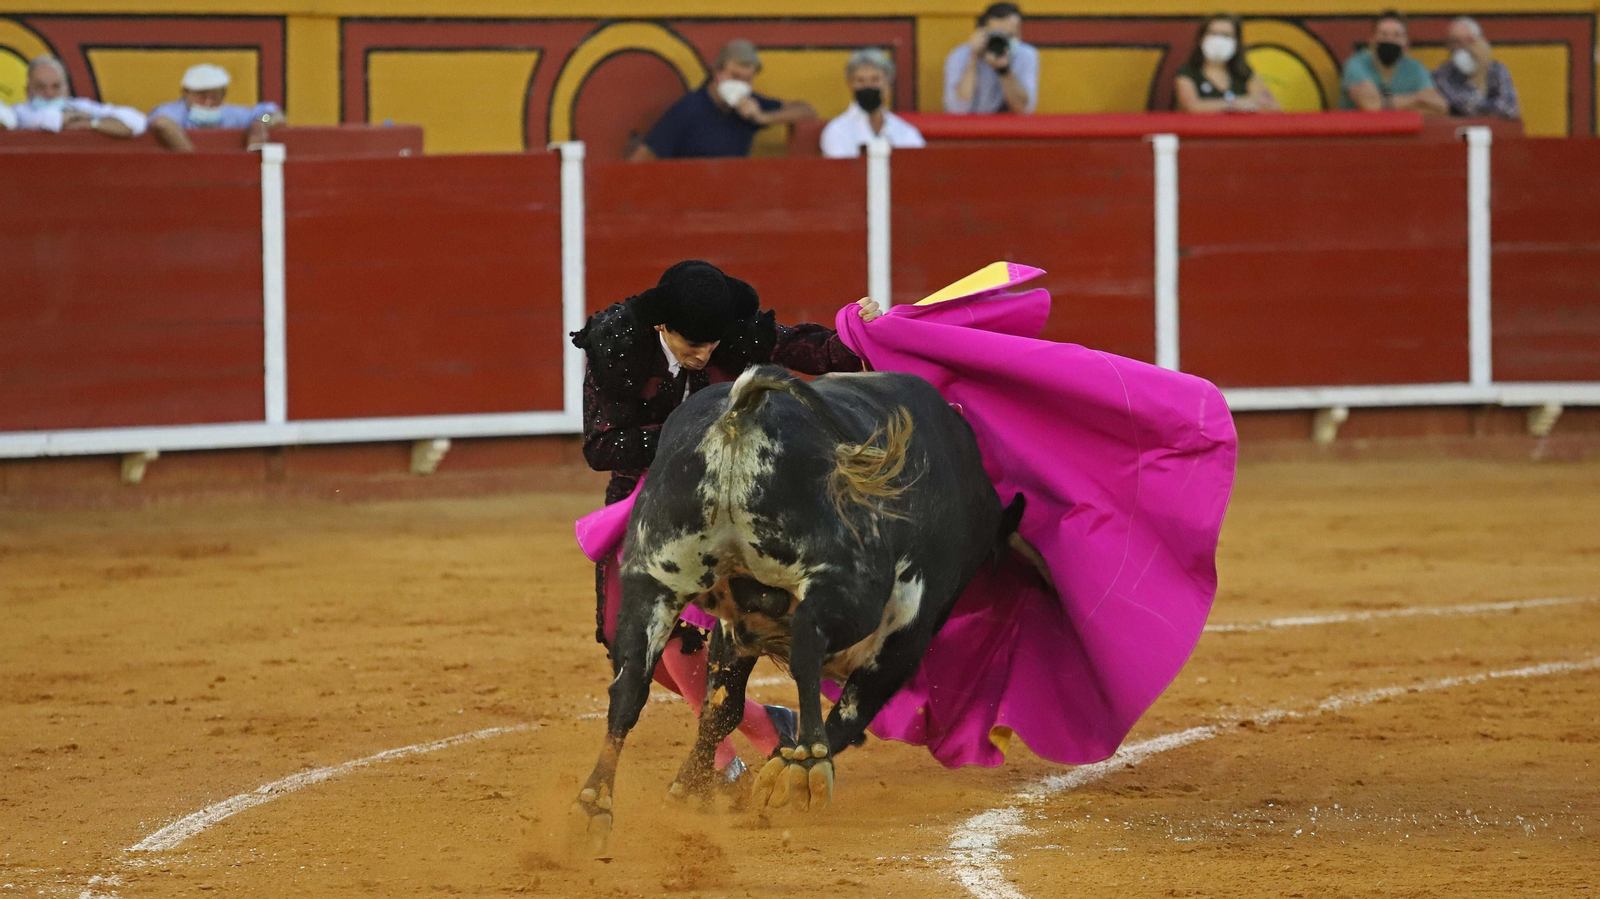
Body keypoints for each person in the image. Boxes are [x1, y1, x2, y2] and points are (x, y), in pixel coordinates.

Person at [570, 260, 881, 783]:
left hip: (733, 497)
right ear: (661, 327)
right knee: (627, 640)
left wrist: (861, 330)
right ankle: (764, 724)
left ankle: (722, 759)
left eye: (713, 344)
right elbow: (602, 446)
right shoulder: (618, 346)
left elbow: (808, 349)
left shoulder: (733, 331)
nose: (705, 355)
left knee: (684, 625)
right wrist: (687, 436)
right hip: (647, 494)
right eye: (693, 344)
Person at [630, 40, 816, 161]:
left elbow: (807, 111)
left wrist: (762, 117)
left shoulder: (749, 104)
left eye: (747, 79)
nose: (740, 84)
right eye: (734, 76)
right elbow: (642, 157)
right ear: (717, 73)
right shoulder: (689, 109)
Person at [147, 63, 286, 152]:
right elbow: (161, 122)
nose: (208, 102)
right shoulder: (176, 111)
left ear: (224, 94)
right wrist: (193, 159)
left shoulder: (230, 114)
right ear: (185, 93)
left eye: (215, 96)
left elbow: (273, 113)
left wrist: (261, 122)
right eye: (201, 96)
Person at [819, 48, 925, 158]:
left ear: (887, 82)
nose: (868, 86)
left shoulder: (906, 131)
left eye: (875, 79)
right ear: (850, 84)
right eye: (860, 80)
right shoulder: (837, 131)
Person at [8, 56, 146, 140]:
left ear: (66, 89)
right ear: (28, 90)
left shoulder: (80, 106)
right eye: (40, 87)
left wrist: (92, 124)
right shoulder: (19, 112)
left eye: (56, 86)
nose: (49, 94)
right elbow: (46, 121)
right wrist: (80, 117)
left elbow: (136, 121)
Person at [1339, 10, 1447, 115]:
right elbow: (1371, 105)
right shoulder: (1357, 64)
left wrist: (1385, 104)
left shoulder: (1415, 68)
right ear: (1372, 41)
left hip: (1402, 132)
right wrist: (1418, 99)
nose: (1390, 40)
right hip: (1360, 131)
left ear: (1406, 43)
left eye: (1397, 35)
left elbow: (1440, 107)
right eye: (1384, 35)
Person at [943, 2, 1039, 115]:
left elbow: (1024, 110)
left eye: (1009, 36)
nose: (1002, 42)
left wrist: (1004, 71)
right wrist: (973, 58)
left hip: (1008, 128)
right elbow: (955, 109)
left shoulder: (1025, 55)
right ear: (980, 33)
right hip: (969, 127)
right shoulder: (960, 55)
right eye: (996, 36)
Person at [1174, 13, 1280, 113]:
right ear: (1201, 38)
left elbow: (1272, 106)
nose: (1219, 40)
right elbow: (1192, 106)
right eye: (1213, 33)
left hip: (1240, 131)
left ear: (1236, 42)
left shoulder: (1244, 73)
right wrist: (1237, 104)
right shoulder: (1188, 73)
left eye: (1226, 35)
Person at [1432, 16, 1521, 120]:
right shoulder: (1442, 75)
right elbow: (1467, 108)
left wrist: (1482, 68)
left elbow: (1511, 109)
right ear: (1448, 47)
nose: (1464, 48)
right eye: (1456, 42)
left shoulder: (1498, 70)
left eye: (1470, 41)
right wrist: (1479, 78)